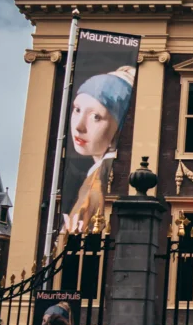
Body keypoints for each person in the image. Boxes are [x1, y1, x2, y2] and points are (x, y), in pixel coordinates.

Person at [57, 66, 135, 247]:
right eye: (77, 109)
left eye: (96, 117)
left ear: (118, 129)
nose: (79, 126)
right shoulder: (89, 175)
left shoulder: (95, 183)